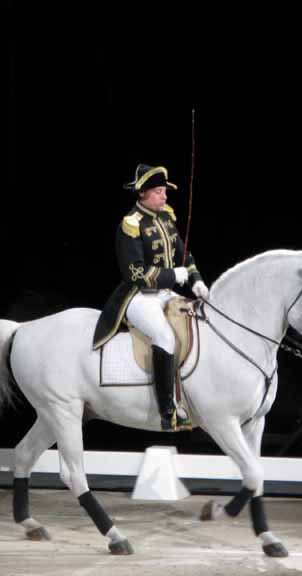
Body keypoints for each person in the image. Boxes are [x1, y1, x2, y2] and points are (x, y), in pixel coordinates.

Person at [93, 164, 209, 431]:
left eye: (164, 192)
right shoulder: (131, 225)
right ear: (143, 193)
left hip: (167, 294)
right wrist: (171, 275)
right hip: (139, 297)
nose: (165, 196)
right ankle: (167, 409)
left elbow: (184, 255)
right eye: (159, 192)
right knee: (165, 337)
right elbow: (134, 272)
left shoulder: (166, 217)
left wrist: (197, 280)